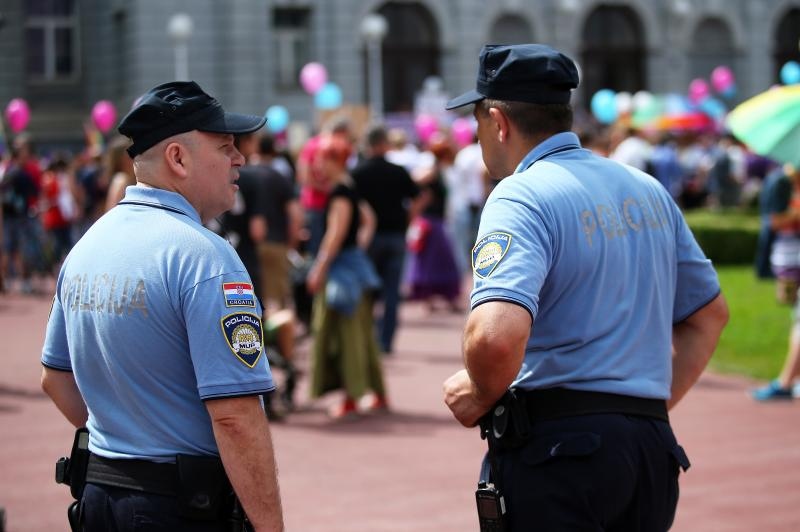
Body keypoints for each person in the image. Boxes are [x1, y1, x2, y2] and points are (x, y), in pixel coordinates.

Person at [442, 44, 729, 531]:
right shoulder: (645, 188)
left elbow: (495, 336)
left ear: (498, 121)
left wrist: (479, 390)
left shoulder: (521, 193)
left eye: (476, 122)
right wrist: (639, 407)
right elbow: (709, 315)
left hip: (560, 454)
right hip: (649, 450)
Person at [40, 81, 284, 531]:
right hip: (179, 507)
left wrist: (128, 433)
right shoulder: (206, 257)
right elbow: (234, 416)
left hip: (102, 494)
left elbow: (55, 378)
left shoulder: (89, 244)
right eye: (226, 146)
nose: (240, 159)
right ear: (177, 157)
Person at [305, 134, 387, 419]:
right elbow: (368, 220)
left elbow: (335, 234)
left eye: (319, 158)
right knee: (360, 334)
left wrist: (320, 267)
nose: (315, 164)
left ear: (333, 160)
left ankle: (352, 396)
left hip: (343, 273)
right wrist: (358, 248)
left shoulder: (341, 192)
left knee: (344, 335)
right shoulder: (347, 188)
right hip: (354, 269)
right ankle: (373, 393)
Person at [352, 125, 421, 354]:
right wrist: (409, 220)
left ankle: (368, 340)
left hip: (369, 238)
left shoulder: (358, 173)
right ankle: (386, 341)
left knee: (368, 292)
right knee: (392, 292)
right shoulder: (398, 171)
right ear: (384, 144)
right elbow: (418, 197)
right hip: (395, 236)